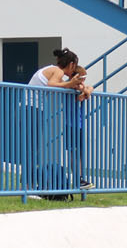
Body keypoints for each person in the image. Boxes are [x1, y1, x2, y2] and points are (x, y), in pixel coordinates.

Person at [25, 48, 87, 195]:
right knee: (32, 149)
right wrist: (70, 83)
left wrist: (76, 85)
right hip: (32, 109)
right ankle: (28, 188)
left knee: (33, 149)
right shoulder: (58, 71)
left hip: (32, 108)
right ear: (71, 65)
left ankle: (29, 186)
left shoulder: (51, 69)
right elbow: (51, 85)